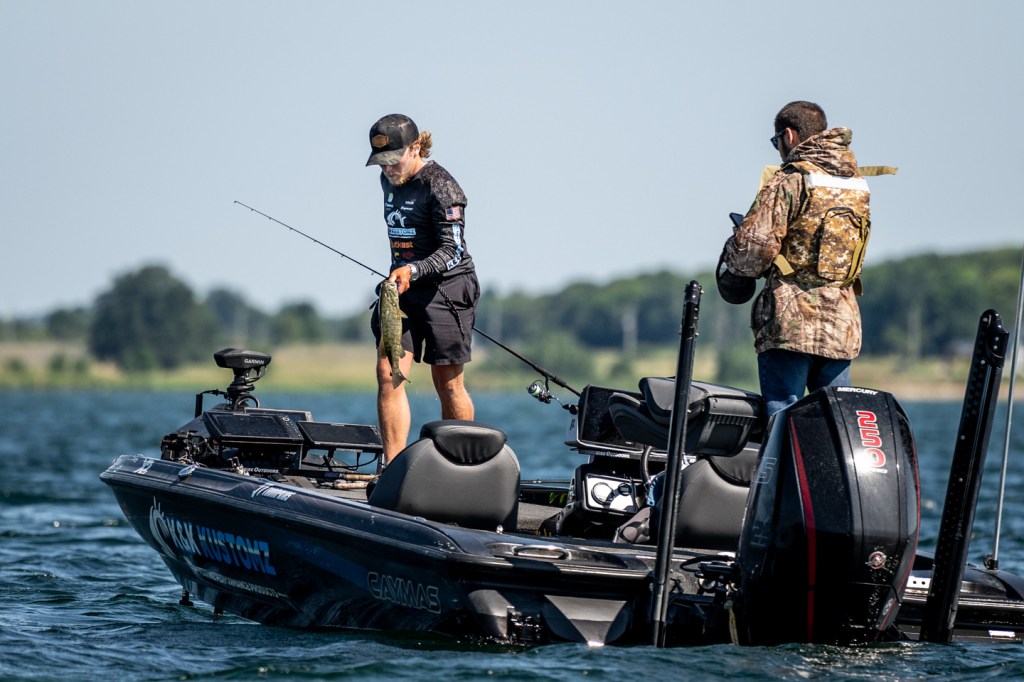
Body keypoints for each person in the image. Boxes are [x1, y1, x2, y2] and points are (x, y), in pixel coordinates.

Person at [718, 101, 871, 417]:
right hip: (841, 327)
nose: (778, 149)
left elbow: (754, 250)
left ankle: (782, 454)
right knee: (836, 420)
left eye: (776, 142)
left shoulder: (791, 179)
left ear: (789, 135)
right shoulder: (856, 183)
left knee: (783, 417)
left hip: (790, 325)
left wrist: (735, 254)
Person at [365, 113, 480, 462]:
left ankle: (461, 465)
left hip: (447, 290)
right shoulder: (388, 180)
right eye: (381, 161)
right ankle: (393, 467)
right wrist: (404, 274)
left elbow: (452, 250)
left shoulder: (442, 187)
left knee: (447, 382)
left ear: (415, 148)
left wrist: (413, 269)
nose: (388, 168)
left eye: (393, 159)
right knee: (388, 373)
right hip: (401, 290)